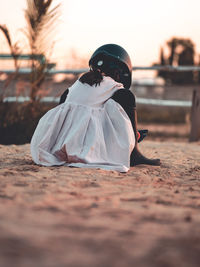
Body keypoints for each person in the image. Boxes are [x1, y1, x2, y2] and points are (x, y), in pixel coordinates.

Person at [31, 44, 160, 172]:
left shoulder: (75, 86)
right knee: (126, 97)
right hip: (84, 147)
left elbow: (83, 118)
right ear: (119, 71)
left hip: (57, 148)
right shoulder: (113, 87)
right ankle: (134, 154)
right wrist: (131, 134)